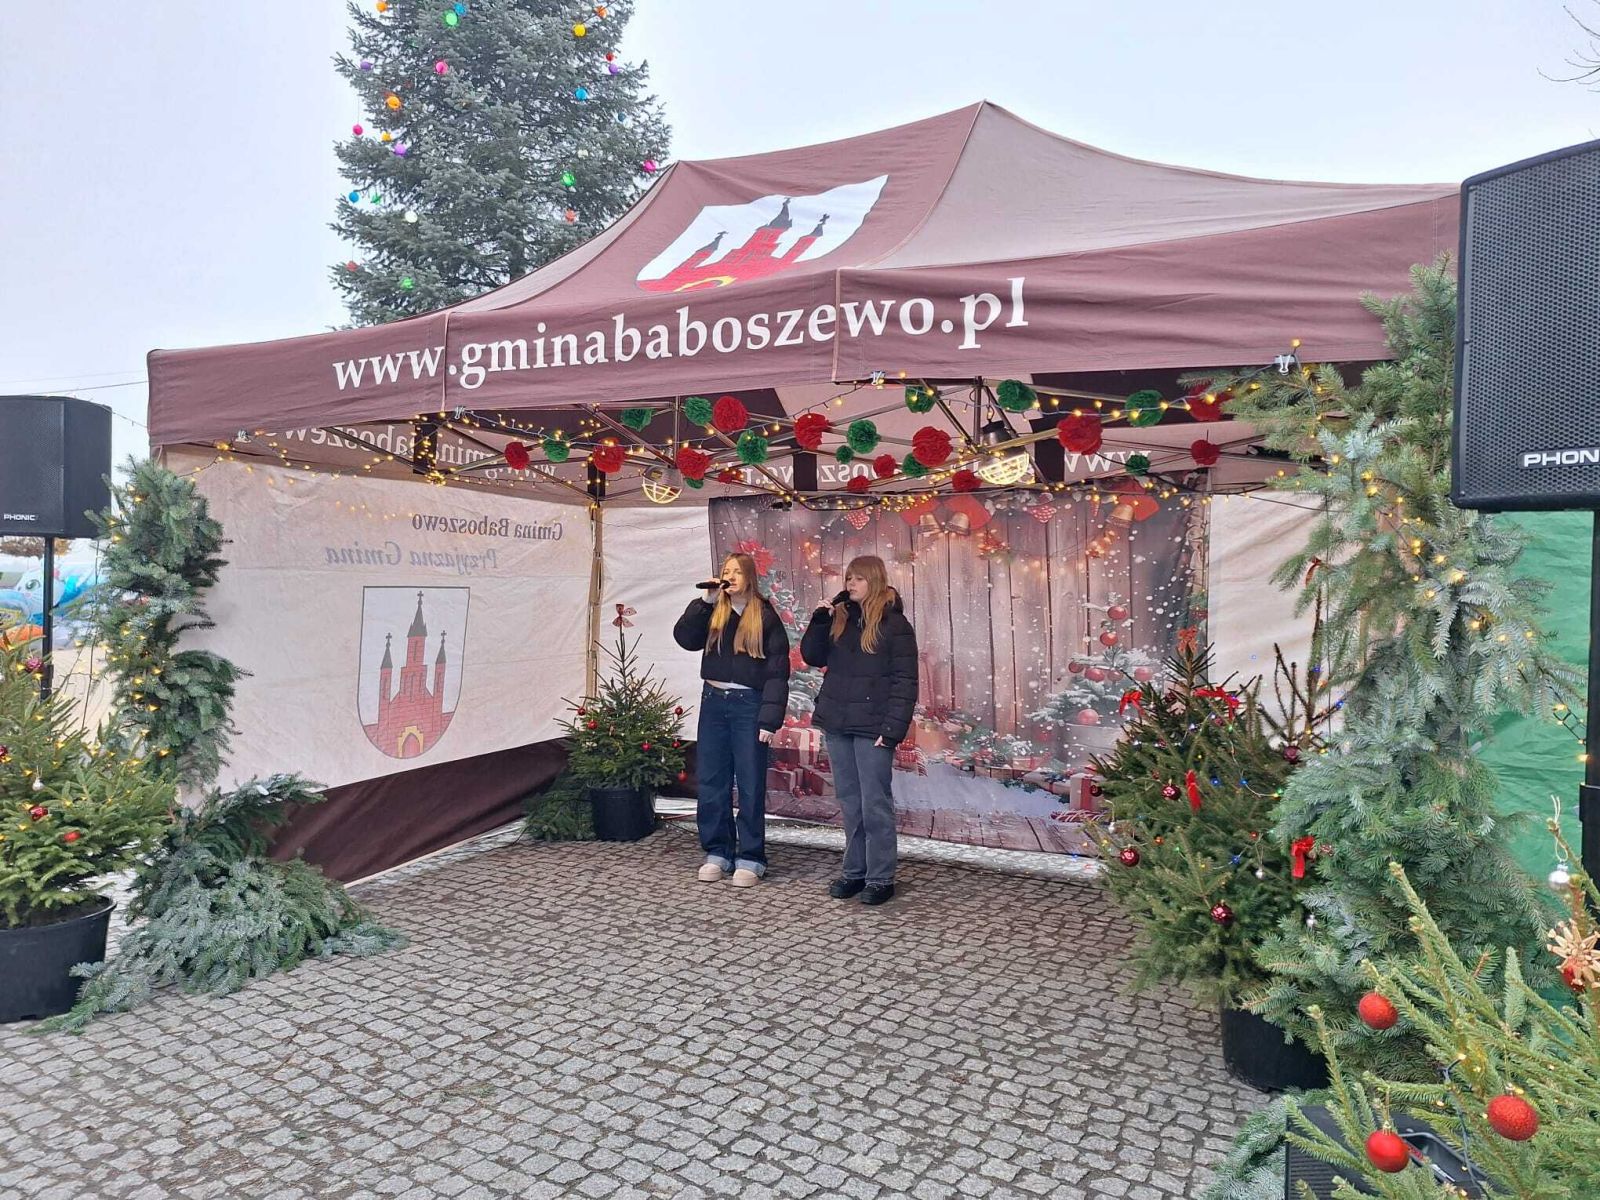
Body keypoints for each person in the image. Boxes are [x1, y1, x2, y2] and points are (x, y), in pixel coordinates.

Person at [800, 555, 918, 906]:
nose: (850, 584)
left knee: (874, 804)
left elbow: (905, 681)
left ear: (875, 581)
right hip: (838, 723)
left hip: (873, 728)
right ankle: (854, 871)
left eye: (858, 579)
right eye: (848, 578)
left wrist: (893, 728)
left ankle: (881, 877)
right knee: (850, 802)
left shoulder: (895, 625)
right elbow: (812, 656)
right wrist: (820, 619)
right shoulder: (841, 619)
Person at [673, 552, 790, 887]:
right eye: (727, 571)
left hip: (748, 705)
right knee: (712, 779)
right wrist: (704, 602)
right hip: (713, 702)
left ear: (749, 577)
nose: (731, 576)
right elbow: (685, 638)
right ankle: (718, 851)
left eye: (737, 571)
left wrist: (769, 720)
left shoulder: (764, 615)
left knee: (750, 782)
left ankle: (751, 857)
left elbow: (777, 671)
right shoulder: (713, 611)